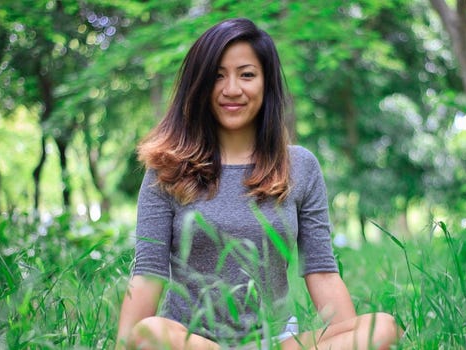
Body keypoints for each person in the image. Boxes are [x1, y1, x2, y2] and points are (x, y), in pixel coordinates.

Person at [116, 18, 403, 349]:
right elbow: (148, 274)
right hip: (193, 341)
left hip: (277, 342)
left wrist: (349, 340)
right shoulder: (167, 167)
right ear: (198, 84)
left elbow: (322, 272)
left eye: (247, 74)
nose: (232, 89)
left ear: (266, 83)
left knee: (382, 327)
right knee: (149, 333)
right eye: (217, 76)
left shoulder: (301, 166)